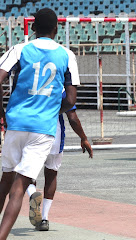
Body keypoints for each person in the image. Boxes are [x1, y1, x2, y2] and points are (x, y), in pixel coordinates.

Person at [0, 8, 80, 239]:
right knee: (19, 190)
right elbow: (71, 100)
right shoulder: (67, 55)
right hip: (43, 128)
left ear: (33, 28)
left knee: (5, 181)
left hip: (16, 123)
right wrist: (51, 109)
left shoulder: (20, 49)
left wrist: (2, 113)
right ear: (56, 29)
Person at [27, 92, 93, 231]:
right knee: (51, 173)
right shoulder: (60, 88)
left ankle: (32, 193)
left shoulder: (32, 82)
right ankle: (44, 219)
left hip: (32, 132)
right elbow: (72, 117)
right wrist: (83, 138)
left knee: (26, 172)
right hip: (54, 135)